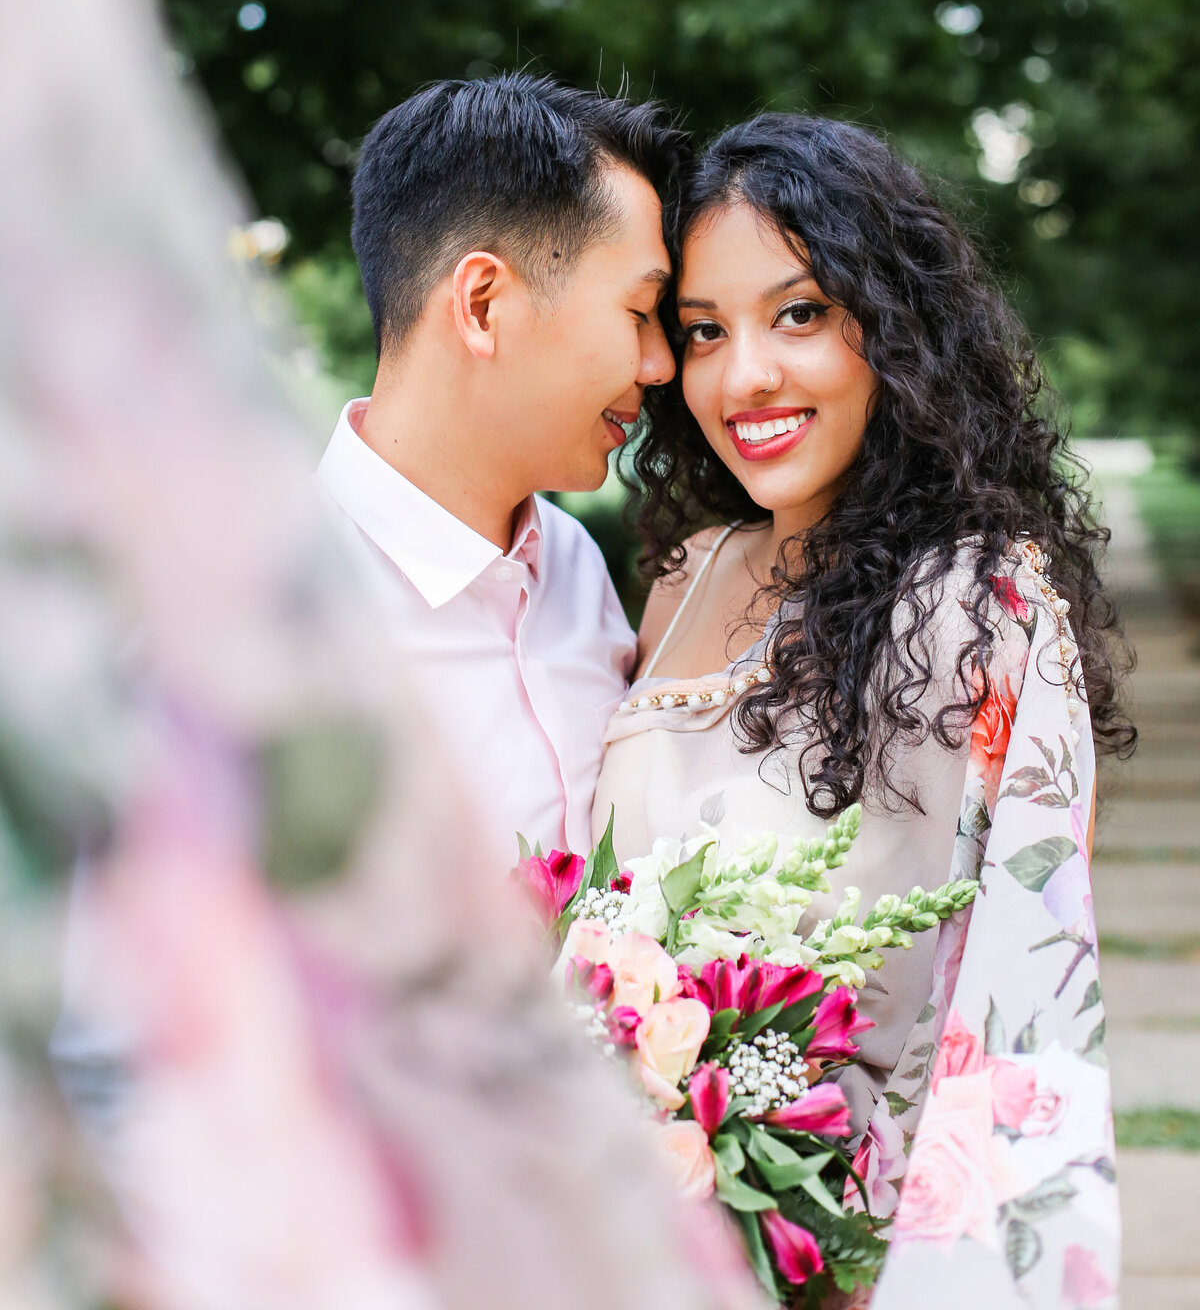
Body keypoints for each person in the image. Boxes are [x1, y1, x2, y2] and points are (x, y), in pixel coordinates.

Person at [592, 114, 1133, 1301]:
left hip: (849, 1254)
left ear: (892, 327)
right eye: (702, 332)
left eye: (799, 313)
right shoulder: (682, 577)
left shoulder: (977, 606)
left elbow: (1017, 994)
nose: (747, 377)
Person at [317, 72, 689, 858]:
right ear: (483, 304)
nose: (661, 364)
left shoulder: (578, 571)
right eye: (638, 312)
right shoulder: (254, 618)